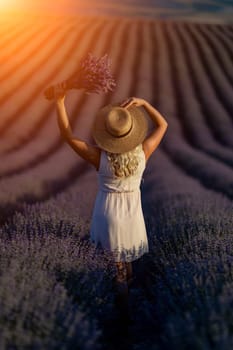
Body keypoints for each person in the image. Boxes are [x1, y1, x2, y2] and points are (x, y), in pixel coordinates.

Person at [54, 87, 168, 318]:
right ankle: (131, 307)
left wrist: (59, 102)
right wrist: (144, 103)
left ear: (107, 134)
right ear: (131, 132)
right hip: (133, 214)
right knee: (126, 263)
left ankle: (123, 314)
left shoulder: (99, 157)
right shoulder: (143, 152)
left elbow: (68, 136)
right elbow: (163, 125)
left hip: (108, 213)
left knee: (116, 268)